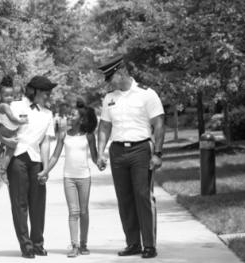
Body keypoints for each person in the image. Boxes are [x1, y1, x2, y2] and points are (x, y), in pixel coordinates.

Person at [96, 55, 165, 259]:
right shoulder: (110, 98)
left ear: (122, 72)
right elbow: (104, 127)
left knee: (143, 197)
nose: (109, 82)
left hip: (141, 150)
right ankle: (133, 243)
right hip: (118, 152)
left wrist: (158, 153)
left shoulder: (147, 94)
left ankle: (149, 245)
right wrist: (101, 152)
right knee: (124, 199)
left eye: (111, 78)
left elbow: (159, 123)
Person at [38, 102, 98, 258]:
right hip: (69, 178)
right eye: (70, 114)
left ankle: (84, 244)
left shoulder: (89, 136)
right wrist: (45, 170)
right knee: (74, 212)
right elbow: (56, 156)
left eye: (73, 114)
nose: (70, 116)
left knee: (83, 211)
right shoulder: (64, 135)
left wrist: (101, 163)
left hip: (84, 177)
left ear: (82, 119)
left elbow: (95, 157)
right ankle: (74, 245)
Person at [6, 75, 57, 259]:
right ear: (34, 91)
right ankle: (26, 245)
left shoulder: (48, 114)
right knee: (20, 204)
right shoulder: (16, 105)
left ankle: (38, 244)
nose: (48, 95)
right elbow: (4, 130)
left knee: (38, 204)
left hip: (36, 160)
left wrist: (45, 168)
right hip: (17, 158)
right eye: (45, 91)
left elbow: (45, 142)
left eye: (49, 91)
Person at [0, 79, 27, 183]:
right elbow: (12, 118)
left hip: (8, 129)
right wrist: (21, 122)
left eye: (18, 94)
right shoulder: (7, 105)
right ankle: (2, 170)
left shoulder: (18, 104)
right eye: (15, 94)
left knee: (2, 145)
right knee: (11, 148)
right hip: (6, 129)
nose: (13, 97)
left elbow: (22, 114)